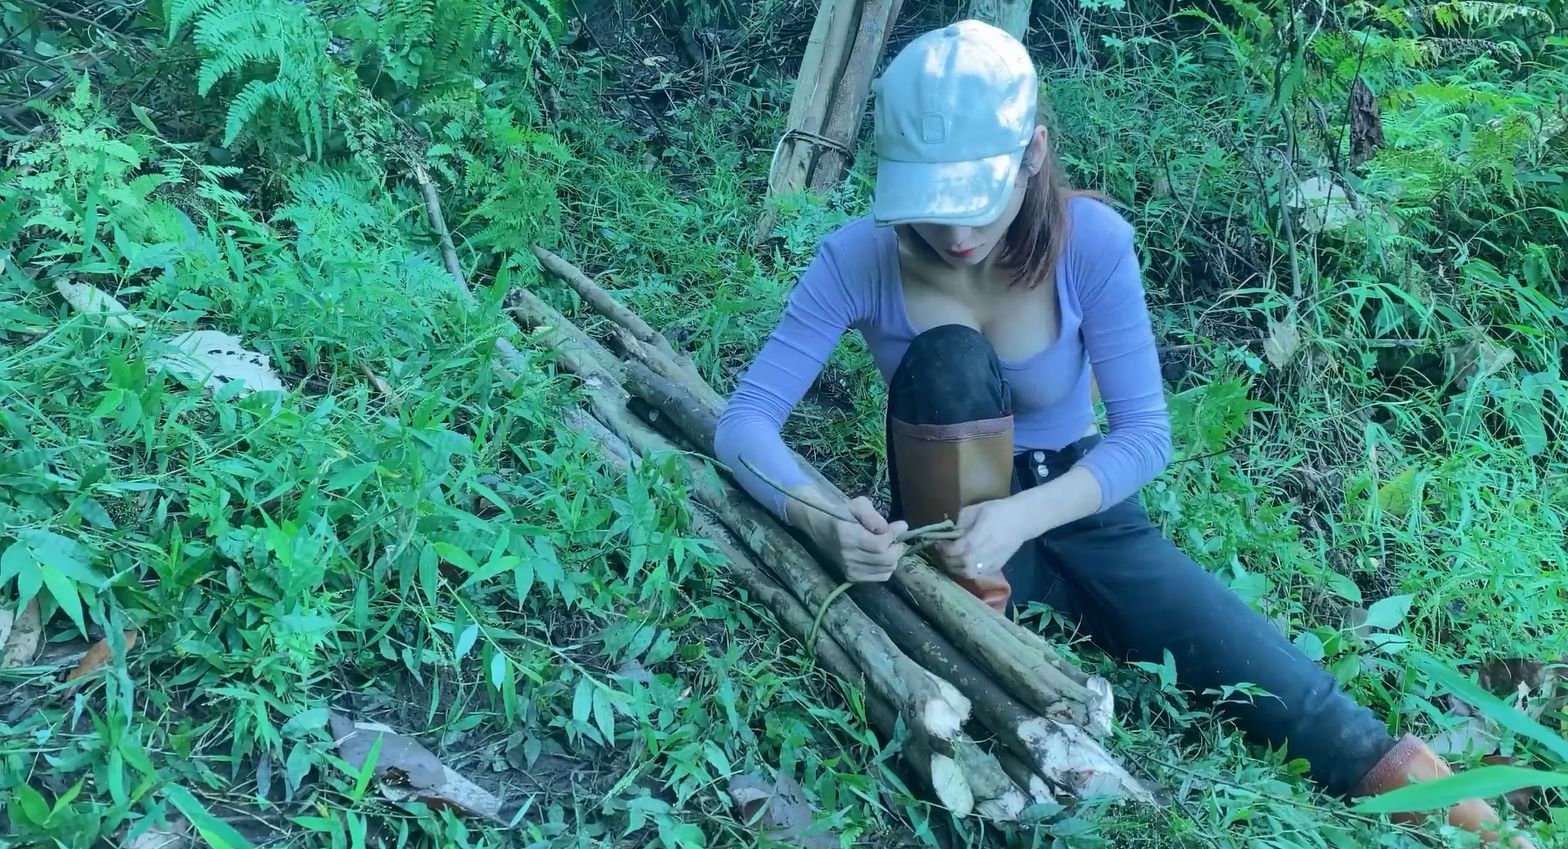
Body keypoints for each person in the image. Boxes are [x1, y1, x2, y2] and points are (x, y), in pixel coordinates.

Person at [713, 17, 1537, 848]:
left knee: (1282, 685)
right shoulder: (857, 258)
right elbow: (744, 423)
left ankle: (1487, 826)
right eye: (933, 207)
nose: (956, 236)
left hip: (1084, 513)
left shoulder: (1090, 244)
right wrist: (819, 515)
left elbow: (1144, 434)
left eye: (976, 201)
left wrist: (1025, 517)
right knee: (950, 360)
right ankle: (974, 628)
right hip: (948, 531)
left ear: (1031, 155)